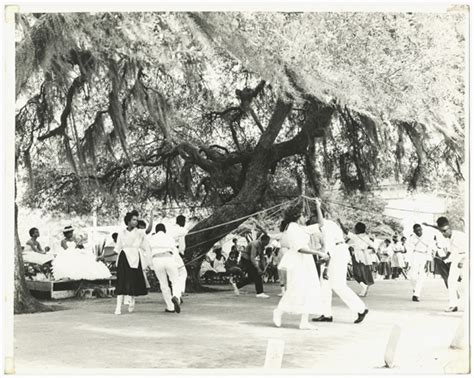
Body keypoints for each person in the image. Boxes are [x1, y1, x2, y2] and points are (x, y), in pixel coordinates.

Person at [272, 202, 329, 330]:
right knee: (296, 288)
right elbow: (299, 248)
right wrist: (318, 252)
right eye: (304, 216)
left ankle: (304, 322)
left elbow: (321, 224)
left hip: (306, 261)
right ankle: (279, 311)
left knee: (309, 289)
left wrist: (318, 205)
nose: (306, 218)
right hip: (298, 261)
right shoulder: (292, 228)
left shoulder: (301, 228)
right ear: (298, 216)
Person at [312, 200, 369, 324]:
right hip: (335, 253)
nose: (310, 220)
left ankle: (361, 309)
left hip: (337, 253)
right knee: (325, 285)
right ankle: (326, 314)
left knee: (338, 285)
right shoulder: (324, 226)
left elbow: (330, 248)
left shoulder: (326, 225)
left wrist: (326, 267)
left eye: (312, 217)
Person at [113, 210, 153, 315]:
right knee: (121, 281)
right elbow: (117, 248)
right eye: (133, 220)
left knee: (133, 280)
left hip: (135, 258)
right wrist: (104, 256)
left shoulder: (139, 232)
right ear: (128, 221)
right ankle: (118, 307)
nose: (135, 222)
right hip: (124, 257)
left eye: (136, 220)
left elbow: (148, 230)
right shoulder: (121, 233)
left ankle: (132, 300)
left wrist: (151, 217)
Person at [424, 217, 467, 312]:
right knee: (451, 281)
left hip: (467, 259)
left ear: (449, 228)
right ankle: (453, 305)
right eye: (441, 232)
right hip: (456, 258)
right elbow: (451, 249)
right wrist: (445, 257)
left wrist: (463, 260)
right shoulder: (448, 235)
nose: (443, 234)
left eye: (444, 231)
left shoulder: (460, 236)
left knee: (467, 283)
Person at [148, 223, 181, 313]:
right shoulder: (169, 237)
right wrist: (177, 264)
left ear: (156, 231)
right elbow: (175, 251)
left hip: (157, 259)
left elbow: (148, 252)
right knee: (175, 281)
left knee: (163, 284)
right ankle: (176, 297)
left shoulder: (151, 238)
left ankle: (170, 307)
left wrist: (150, 265)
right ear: (165, 230)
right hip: (169, 258)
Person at [343, 222, 377, 297]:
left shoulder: (355, 237)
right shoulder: (366, 237)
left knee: (356, 274)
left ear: (357, 230)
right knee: (363, 272)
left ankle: (364, 286)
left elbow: (345, 232)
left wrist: (340, 223)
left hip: (357, 256)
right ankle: (364, 286)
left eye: (355, 228)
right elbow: (374, 247)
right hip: (365, 257)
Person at [407, 224, 434, 302]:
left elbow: (430, 249)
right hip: (415, 256)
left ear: (422, 229)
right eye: (417, 231)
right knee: (412, 276)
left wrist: (428, 262)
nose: (419, 232)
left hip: (424, 256)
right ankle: (415, 289)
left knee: (422, 276)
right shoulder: (411, 238)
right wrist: (408, 261)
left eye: (420, 230)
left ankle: (416, 295)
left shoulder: (427, 237)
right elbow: (410, 250)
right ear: (414, 231)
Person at [170, 215, 188, 300]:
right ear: (181, 221)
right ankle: (178, 293)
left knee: (174, 275)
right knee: (182, 272)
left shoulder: (170, 229)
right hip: (175, 252)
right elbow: (182, 244)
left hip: (167, 253)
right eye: (184, 221)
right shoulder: (181, 230)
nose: (184, 223)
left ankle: (175, 294)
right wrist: (182, 252)